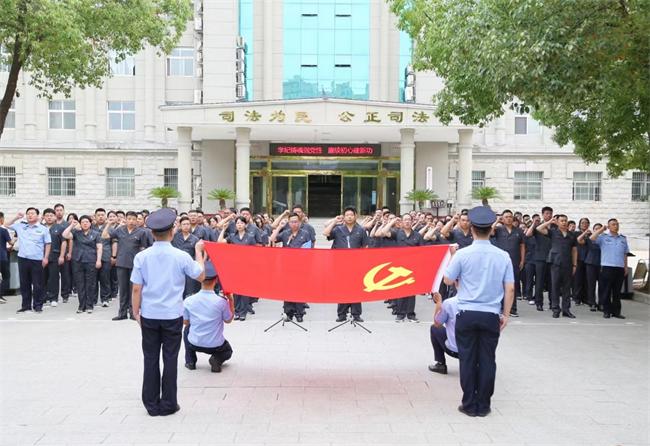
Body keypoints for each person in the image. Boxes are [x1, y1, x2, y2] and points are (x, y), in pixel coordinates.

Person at [131, 208, 205, 417]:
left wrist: (136, 312)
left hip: (149, 314)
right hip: (172, 314)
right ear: (172, 232)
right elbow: (200, 276)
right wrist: (199, 253)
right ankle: (169, 403)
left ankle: (151, 403)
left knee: (150, 358)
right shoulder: (181, 256)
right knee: (170, 359)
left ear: (152, 233)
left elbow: (136, 288)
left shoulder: (142, 257)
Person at [443, 206, 514, 417]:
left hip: (466, 312)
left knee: (467, 359)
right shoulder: (503, 256)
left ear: (472, 229)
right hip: (491, 314)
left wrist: (453, 258)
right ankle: (483, 405)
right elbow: (510, 288)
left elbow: (447, 280)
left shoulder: (462, 254)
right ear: (491, 229)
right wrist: (506, 314)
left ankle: (468, 403)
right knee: (487, 359)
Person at [183, 260, 234, 372]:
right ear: (216, 280)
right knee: (228, 351)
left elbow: (186, 322)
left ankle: (190, 361)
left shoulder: (189, 300)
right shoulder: (221, 302)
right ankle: (216, 359)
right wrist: (231, 300)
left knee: (186, 330)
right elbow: (228, 320)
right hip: (215, 345)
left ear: (200, 278)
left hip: (194, 343)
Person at [323, 206, 369, 323]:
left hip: (356, 264)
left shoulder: (361, 230)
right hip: (340, 264)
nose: (349, 217)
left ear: (355, 216)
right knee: (342, 288)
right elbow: (325, 233)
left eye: (351, 215)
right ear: (344, 216)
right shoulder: (338, 229)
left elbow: (365, 247)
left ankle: (356, 314)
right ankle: (342, 314)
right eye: (347, 215)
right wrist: (334, 221)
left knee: (356, 289)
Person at [378, 213, 423, 322]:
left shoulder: (417, 235)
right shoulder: (397, 233)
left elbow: (422, 252)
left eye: (409, 220)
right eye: (405, 220)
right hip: (399, 267)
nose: (407, 221)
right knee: (401, 291)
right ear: (402, 222)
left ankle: (411, 314)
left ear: (412, 221)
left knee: (411, 292)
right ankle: (400, 314)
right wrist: (393, 221)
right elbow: (383, 232)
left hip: (412, 267)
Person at [7, 208, 52, 313]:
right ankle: (26, 306)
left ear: (37, 216)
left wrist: (46, 257)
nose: (30, 215)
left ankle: (38, 305)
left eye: (32, 213)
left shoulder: (43, 229)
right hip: (23, 259)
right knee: (24, 284)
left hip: (37, 260)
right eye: (28, 214)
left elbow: (48, 244)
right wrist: (16, 217)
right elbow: (6, 224)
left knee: (37, 284)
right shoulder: (21, 226)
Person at [270, 212, 312, 322]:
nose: (294, 224)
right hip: (287, 266)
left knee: (299, 289)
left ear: (300, 222)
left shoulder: (305, 233)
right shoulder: (285, 233)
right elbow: (272, 239)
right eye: (292, 222)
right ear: (289, 223)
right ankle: (288, 313)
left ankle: (299, 313)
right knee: (288, 290)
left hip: (301, 266)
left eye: (296, 222)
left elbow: (308, 249)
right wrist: (279, 227)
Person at [110, 211, 149, 320]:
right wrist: (109, 224)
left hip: (135, 265)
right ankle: (122, 313)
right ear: (126, 220)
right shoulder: (119, 230)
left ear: (137, 220)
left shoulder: (142, 232)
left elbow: (143, 248)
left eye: (133, 219)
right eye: (129, 219)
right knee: (123, 289)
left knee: (133, 289)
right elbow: (106, 236)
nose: (131, 221)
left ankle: (133, 313)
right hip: (121, 263)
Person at [536, 215, 578, 318]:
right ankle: (555, 309)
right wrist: (550, 221)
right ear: (558, 222)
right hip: (555, 263)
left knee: (567, 288)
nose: (564, 222)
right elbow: (539, 228)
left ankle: (566, 309)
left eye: (565, 220)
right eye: (562, 221)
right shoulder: (553, 232)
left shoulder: (572, 235)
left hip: (568, 263)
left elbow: (574, 250)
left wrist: (574, 264)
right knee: (555, 286)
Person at [217, 216, 257, 321]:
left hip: (246, 266)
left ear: (245, 225)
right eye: (238, 223)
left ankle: (243, 312)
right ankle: (237, 311)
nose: (239, 225)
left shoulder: (250, 237)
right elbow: (220, 242)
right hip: (234, 266)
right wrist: (223, 229)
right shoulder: (232, 236)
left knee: (244, 290)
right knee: (235, 290)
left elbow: (254, 252)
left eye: (241, 223)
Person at [62, 216, 102, 314]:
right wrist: (71, 225)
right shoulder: (76, 233)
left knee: (90, 284)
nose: (85, 223)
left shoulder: (96, 234)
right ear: (80, 223)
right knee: (80, 284)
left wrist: (98, 260)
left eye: (87, 222)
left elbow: (99, 248)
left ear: (90, 223)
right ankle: (81, 305)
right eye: (83, 222)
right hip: (78, 261)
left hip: (91, 260)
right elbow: (65, 234)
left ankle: (89, 305)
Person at [591, 219, 629, 319]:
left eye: (617, 224)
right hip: (607, 267)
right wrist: (601, 229)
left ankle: (616, 312)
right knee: (606, 290)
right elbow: (592, 238)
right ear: (609, 226)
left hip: (619, 267)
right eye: (613, 224)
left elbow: (625, 254)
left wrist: (625, 267)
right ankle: (606, 311)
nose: (616, 226)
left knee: (617, 291)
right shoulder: (603, 237)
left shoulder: (623, 238)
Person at [491, 210, 525, 317]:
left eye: (510, 216)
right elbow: (490, 232)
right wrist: (497, 221)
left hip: (514, 261)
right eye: (506, 217)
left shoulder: (518, 231)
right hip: (500, 262)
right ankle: (501, 308)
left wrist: (522, 260)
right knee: (500, 285)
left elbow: (522, 246)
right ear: (503, 218)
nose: (509, 219)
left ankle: (512, 309)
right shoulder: (498, 230)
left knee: (512, 285)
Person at [526, 207, 554, 311]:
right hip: (540, 257)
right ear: (543, 214)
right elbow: (528, 234)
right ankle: (539, 303)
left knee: (552, 282)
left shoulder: (555, 227)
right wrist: (534, 223)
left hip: (552, 258)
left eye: (550, 213)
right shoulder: (537, 226)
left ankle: (553, 303)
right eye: (547, 213)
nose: (549, 215)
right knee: (539, 281)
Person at [429, 292, 459, 375]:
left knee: (434, 328)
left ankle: (440, 363)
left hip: (454, 349)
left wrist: (439, 302)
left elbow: (437, 323)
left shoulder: (450, 303)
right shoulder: (481, 303)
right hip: (473, 350)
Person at [42, 208, 67, 307]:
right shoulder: (40, 227)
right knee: (42, 278)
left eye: (51, 216)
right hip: (41, 256)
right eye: (47, 215)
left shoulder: (60, 228)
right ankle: (43, 297)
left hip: (55, 256)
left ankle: (53, 298)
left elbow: (64, 242)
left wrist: (62, 256)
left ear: (55, 217)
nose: (49, 217)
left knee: (54, 278)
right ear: (43, 217)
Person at [171, 216, 201, 298]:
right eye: (184, 224)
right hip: (176, 267)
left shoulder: (195, 239)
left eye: (188, 224)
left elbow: (197, 254)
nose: (186, 226)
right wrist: (176, 227)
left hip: (189, 267)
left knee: (189, 290)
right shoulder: (175, 237)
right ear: (180, 226)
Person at [579, 223, 602, 312]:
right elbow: (579, 240)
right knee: (591, 284)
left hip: (602, 264)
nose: (598, 230)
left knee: (602, 285)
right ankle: (592, 303)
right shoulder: (589, 239)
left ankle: (601, 303)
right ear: (593, 230)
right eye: (596, 229)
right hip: (590, 263)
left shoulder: (605, 239)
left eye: (599, 229)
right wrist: (585, 233)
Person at [93, 208, 112, 307]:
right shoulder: (91, 227)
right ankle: (93, 299)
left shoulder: (110, 228)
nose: (100, 217)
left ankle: (105, 299)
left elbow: (113, 243)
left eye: (102, 215)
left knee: (105, 279)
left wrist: (113, 256)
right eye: (98, 215)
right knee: (93, 279)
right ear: (95, 216)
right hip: (93, 256)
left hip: (105, 255)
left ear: (105, 216)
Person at [0, 212, 13, 304]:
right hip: (2, 257)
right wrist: (15, 238)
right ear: (1, 219)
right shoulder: (3, 231)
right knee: (6, 277)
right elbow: (11, 243)